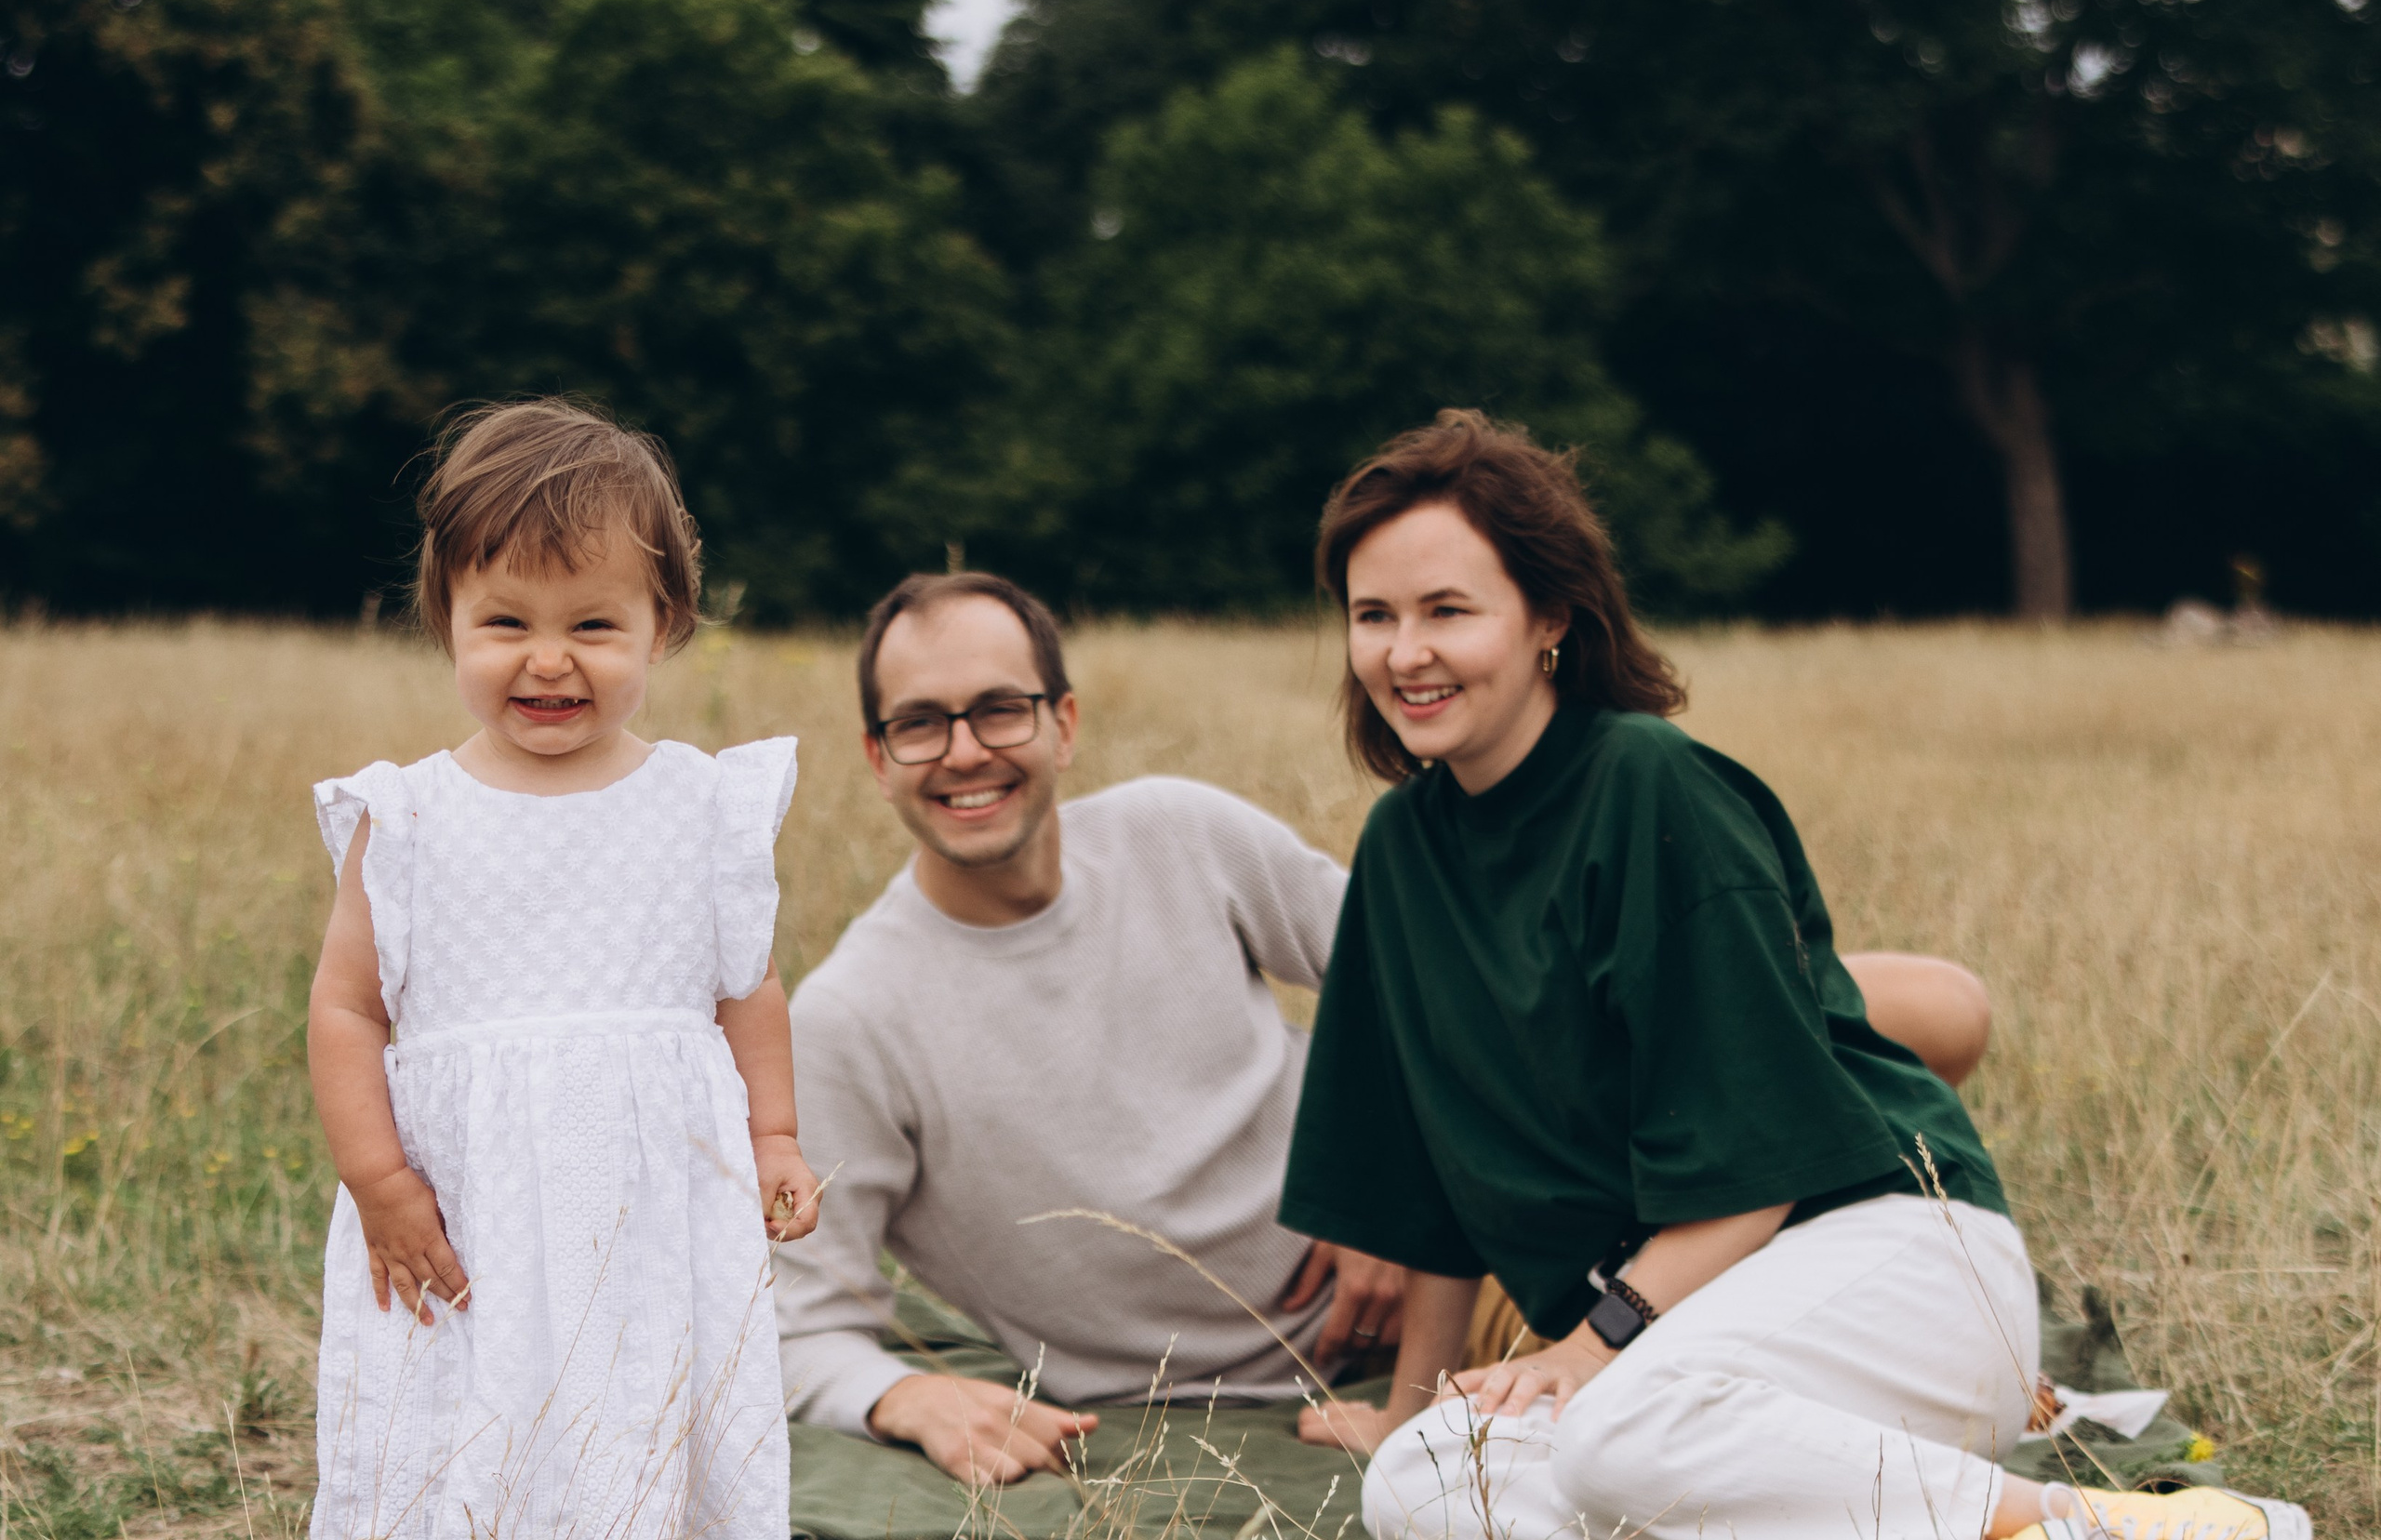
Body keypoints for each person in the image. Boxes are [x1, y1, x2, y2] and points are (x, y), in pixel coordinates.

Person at [1280, 410, 2312, 1540]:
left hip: (1886, 1257)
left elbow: (1756, 1170)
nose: (1404, 651)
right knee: (1420, 1486)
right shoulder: (1402, 854)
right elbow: (1430, 1178)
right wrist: (1404, 1408)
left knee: (1615, 1440)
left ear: (1551, 616)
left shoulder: (1651, 786)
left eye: (1447, 608)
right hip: (1681, 1339)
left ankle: (2126, 1532)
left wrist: (1584, 1349)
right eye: (1372, 614)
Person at [776, 566, 1995, 1493]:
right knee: (1681, 1406)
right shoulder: (850, 1019)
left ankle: (1795, 1073)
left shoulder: (1183, 834)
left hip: (1513, 1240)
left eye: (1001, 708)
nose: (966, 750)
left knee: (1938, 1016)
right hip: (1381, 1345)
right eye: (922, 723)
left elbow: (1459, 986)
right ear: (878, 758)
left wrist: (1387, 1195)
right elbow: (799, 1325)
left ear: (1065, 722)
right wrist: (910, 1400)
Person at [249, 401, 821, 1540]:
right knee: (406, 1429)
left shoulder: (698, 805)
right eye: (506, 621)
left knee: (648, 1438)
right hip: (451, 1201)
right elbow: (347, 1008)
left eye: (594, 625)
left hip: (643, 1202)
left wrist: (775, 1133)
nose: (548, 660)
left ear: (664, 623)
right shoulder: (412, 814)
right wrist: (382, 1181)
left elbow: (743, 988)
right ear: (445, 615)